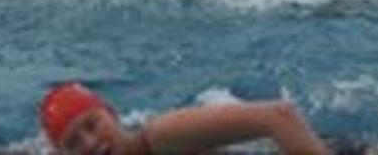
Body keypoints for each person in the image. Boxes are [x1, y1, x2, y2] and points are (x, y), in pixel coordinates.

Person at [39, 82, 328, 155]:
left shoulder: (162, 135)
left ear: (111, 113)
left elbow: (279, 116)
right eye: (74, 142)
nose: (89, 143)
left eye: (92, 125)